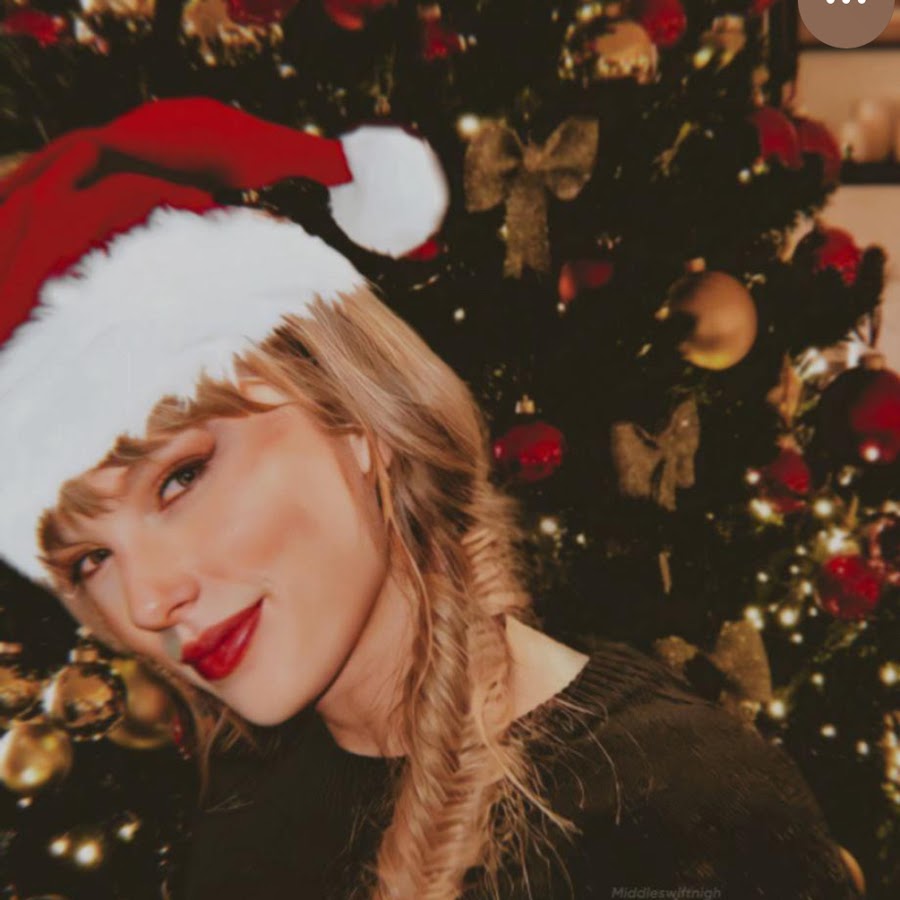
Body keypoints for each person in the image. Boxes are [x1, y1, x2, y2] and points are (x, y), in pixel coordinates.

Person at [0, 98, 863, 900]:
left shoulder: (675, 809)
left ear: (354, 419)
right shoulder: (237, 795)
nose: (146, 602)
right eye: (90, 557)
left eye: (180, 477)